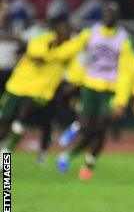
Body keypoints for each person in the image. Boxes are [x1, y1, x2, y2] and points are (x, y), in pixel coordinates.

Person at [56, 2, 134, 180]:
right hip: (90, 85)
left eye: (112, 13)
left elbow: (126, 71)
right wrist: (54, 54)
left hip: (110, 89)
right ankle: (74, 131)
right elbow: (72, 48)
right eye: (106, 12)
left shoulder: (124, 39)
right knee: (87, 124)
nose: (108, 15)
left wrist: (121, 101)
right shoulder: (91, 32)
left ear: (118, 17)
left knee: (100, 128)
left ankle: (85, 164)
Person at [0, 17, 80, 157]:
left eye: (68, 31)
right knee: (5, 124)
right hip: (17, 86)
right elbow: (36, 55)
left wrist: (75, 82)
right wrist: (55, 56)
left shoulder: (69, 49)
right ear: (56, 31)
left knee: (24, 114)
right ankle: (5, 155)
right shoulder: (40, 39)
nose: (67, 34)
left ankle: (7, 153)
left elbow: (76, 70)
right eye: (64, 30)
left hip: (41, 91)